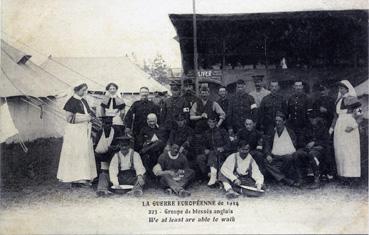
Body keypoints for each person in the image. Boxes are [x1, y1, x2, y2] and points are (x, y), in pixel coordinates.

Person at [57, 83, 97, 186]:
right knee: (76, 152)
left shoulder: (83, 100)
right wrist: (86, 118)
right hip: (74, 132)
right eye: (83, 90)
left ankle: (84, 177)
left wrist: (90, 115)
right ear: (76, 90)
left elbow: (88, 113)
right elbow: (69, 119)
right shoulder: (71, 101)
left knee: (84, 152)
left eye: (86, 90)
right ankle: (75, 178)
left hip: (84, 130)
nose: (85, 92)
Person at [330, 80, 362, 181]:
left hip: (349, 125)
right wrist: (331, 128)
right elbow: (336, 116)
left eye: (342, 88)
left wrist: (353, 126)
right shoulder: (338, 100)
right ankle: (343, 175)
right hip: (339, 126)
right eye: (339, 88)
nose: (341, 90)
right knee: (340, 150)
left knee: (350, 150)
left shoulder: (352, 99)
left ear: (347, 89)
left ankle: (352, 176)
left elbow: (360, 114)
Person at [264, 111, 304, 187]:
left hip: (286, 156)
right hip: (275, 157)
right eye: (276, 121)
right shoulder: (273, 132)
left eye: (280, 121)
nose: (277, 123)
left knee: (289, 158)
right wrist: (268, 154)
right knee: (265, 162)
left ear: (284, 121)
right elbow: (267, 144)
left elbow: (293, 145)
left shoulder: (290, 132)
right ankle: (285, 180)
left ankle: (279, 177)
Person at [295, 110, 331, 189]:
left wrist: (314, 143)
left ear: (318, 119)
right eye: (311, 118)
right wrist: (306, 145)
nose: (312, 120)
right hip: (307, 149)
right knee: (297, 154)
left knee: (313, 154)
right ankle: (301, 179)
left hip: (320, 150)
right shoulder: (306, 128)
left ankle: (316, 181)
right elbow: (301, 140)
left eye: (314, 118)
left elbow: (326, 141)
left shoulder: (323, 128)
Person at [198, 115, 231, 187]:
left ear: (216, 122)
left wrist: (223, 148)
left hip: (221, 153)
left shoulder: (222, 131)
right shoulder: (206, 132)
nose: (211, 124)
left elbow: (229, 144)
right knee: (200, 157)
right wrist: (204, 149)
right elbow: (201, 144)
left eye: (213, 122)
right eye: (210, 122)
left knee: (213, 153)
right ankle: (209, 175)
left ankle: (213, 176)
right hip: (210, 154)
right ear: (207, 122)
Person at [94, 116, 119, 195]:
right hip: (102, 153)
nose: (108, 125)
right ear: (103, 124)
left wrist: (113, 147)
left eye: (110, 123)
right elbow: (97, 146)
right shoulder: (100, 132)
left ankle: (111, 180)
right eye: (106, 123)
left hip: (112, 152)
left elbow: (119, 143)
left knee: (114, 157)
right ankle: (98, 179)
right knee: (95, 156)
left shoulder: (116, 131)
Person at [136, 113, 165, 179]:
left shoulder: (160, 129)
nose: (152, 123)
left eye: (153, 121)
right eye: (150, 121)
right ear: (147, 121)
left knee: (158, 144)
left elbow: (162, 142)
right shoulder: (144, 129)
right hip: (148, 151)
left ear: (156, 120)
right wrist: (146, 143)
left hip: (157, 151)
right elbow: (140, 142)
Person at [287, 81, 311, 148]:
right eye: (296, 86)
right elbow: (288, 112)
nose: (298, 88)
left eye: (300, 86)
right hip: (293, 127)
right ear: (294, 87)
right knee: (293, 145)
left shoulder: (307, 98)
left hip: (303, 127)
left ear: (302, 87)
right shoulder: (291, 98)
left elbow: (309, 115)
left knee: (302, 145)